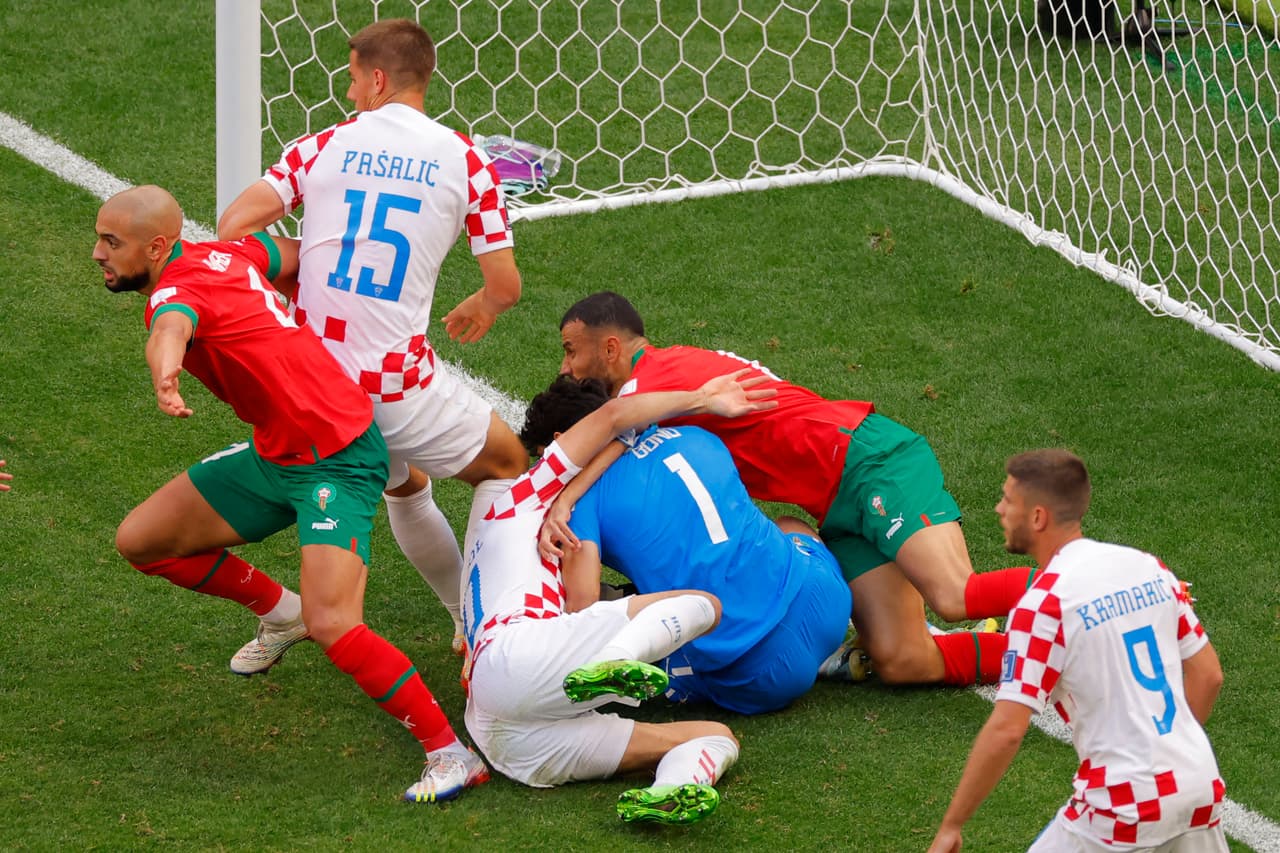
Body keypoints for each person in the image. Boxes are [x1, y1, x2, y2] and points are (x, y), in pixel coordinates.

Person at [94, 185, 487, 804]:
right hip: (279, 451)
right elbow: (301, 254)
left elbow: (171, 324)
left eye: (111, 242)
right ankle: (284, 612)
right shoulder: (230, 254)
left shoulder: (173, 293)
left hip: (337, 461)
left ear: (158, 246)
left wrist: (164, 367)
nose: (98, 253)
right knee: (142, 541)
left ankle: (451, 752)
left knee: (338, 625)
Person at [217, 18, 527, 659]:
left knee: (404, 482)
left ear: (379, 78)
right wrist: (483, 305)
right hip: (392, 385)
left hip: (312, 382)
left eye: (355, 77)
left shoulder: (323, 144)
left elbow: (232, 225)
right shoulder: (468, 159)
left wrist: (311, 256)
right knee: (507, 464)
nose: (352, 91)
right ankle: (484, 625)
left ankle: (314, 613)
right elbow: (505, 284)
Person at [550, 291, 1035, 687]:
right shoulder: (664, 381)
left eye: (572, 351)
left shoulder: (652, 379)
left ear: (610, 348)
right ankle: (1038, 664)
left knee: (953, 596)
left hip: (869, 462)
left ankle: (1092, 590)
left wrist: (564, 498)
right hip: (835, 504)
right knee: (903, 660)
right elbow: (618, 438)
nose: (565, 368)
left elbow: (608, 428)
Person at [462, 369, 777, 824]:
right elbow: (615, 418)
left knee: (715, 736)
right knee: (705, 606)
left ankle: (674, 787)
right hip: (523, 656)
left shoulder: (495, 528)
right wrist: (702, 397)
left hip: (500, 731)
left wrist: (586, 479)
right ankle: (616, 657)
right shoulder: (525, 496)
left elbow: (619, 434)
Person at [928, 449, 1226, 853]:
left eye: (1008, 500)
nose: (999, 509)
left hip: (1119, 806)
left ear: (1037, 517)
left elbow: (1007, 729)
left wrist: (952, 825)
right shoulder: (1148, 568)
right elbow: (1209, 676)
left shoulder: (1044, 604)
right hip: (1198, 784)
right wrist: (1167, 759)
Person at [520, 375, 851, 715]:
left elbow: (581, 606)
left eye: (541, 457)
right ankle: (831, 652)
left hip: (761, 669)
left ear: (559, 443)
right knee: (788, 526)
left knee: (630, 640)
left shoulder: (579, 506)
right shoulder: (697, 436)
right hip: (827, 601)